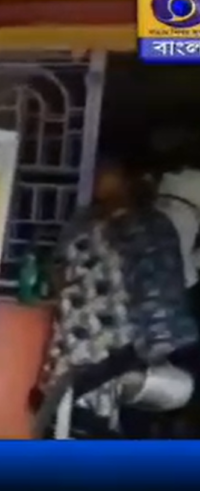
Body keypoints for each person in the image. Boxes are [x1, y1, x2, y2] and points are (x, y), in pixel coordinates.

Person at [36, 155, 200, 438]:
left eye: (107, 171)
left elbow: (159, 290)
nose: (99, 179)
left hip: (117, 348)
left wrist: (147, 349)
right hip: (79, 344)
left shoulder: (147, 225)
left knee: (95, 418)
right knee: (72, 417)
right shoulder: (85, 222)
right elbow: (59, 272)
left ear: (128, 178)